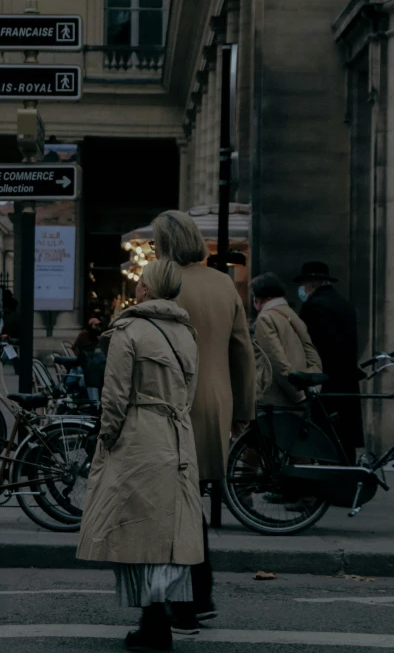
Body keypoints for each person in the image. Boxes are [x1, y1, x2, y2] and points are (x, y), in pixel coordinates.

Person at [77, 260, 203, 652]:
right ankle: (159, 615)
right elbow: (189, 394)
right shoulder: (187, 334)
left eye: (141, 283)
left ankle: (151, 622)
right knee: (168, 532)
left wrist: (106, 439)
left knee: (135, 529)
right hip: (177, 436)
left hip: (138, 435)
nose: (137, 289)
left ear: (148, 290)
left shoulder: (128, 330)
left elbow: (114, 397)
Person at [151, 210, 256, 628]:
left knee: (171, 506)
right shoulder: (223, 283)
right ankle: (196, 595)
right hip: (215, 404)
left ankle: (187, 599)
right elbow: (242, 351)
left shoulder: (164, 282)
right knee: (189, 500)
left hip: (170, 404)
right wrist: (243, 411)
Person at [294, 261, 364, 465]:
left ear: (312, 283)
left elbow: (314, 346)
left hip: (327, 381)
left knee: (325, 437)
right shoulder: (343, 304)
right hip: (346, 382)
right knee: (343, 439)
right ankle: (345, 485)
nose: (302, 289)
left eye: (305, 283)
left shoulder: (314, 306)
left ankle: (328, 488)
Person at [252, 272, 322, 407]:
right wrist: (311, 389)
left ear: (259, 298)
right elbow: (312, 355)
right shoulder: (291, 314)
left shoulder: (265, 319)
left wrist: (298, 396)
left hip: (277, 397)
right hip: (302, 391)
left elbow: (277, 361)